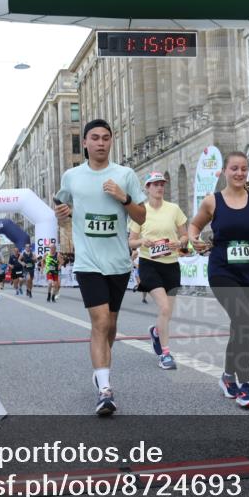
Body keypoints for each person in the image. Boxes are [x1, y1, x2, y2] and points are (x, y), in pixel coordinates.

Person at [54, 118, 147, 416]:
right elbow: (61, 207)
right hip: (88, 262)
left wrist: (124, 198)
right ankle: (105, 390)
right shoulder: (72, 176)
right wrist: (61, 213)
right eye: (94, 138)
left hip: (118, 263)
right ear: (85, 143)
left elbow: (142, 217)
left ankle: (100, 369)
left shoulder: (125, 174)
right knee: (100, 322)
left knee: (111, 326)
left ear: (111, 141)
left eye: (106, 138)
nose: (100, 143)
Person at [189, 151, 249, 408]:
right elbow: (194, 225)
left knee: (243, 326)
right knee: (242, 319)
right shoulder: (213, 201)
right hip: (222, 269)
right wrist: (193, 239)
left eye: (244, 169)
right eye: (234, 168)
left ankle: (227, 377)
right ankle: (245, 385)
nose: (240, 173)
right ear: (224, 171)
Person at [128, 171, 189, 370]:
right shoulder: (140, 211)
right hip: (149, 263)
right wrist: (141, 241)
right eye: (155, 184)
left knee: (167, 312)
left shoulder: (174, 209)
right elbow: (131, 241)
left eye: (162, 183)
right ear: (147, 188)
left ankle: (156, 331)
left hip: (171, 264)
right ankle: (165, 354)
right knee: (163, 308)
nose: (159, 187)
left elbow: (185, 237)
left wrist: (178, 243)